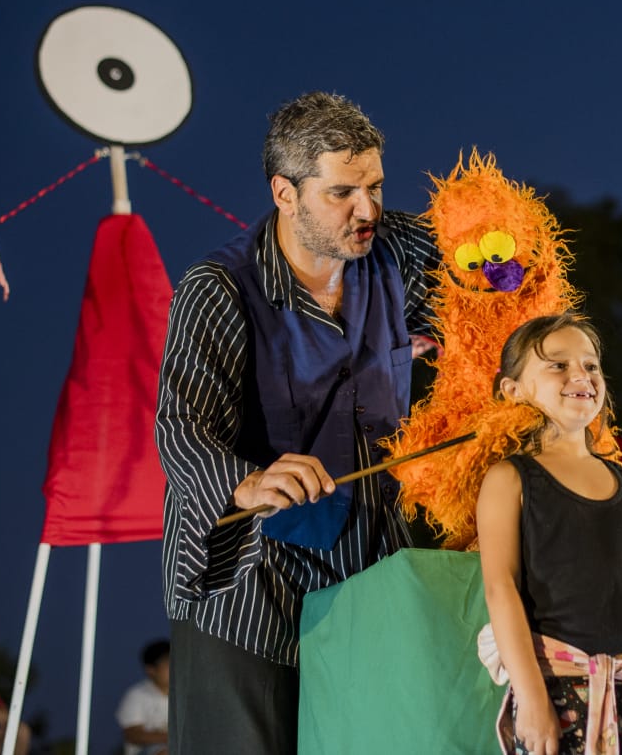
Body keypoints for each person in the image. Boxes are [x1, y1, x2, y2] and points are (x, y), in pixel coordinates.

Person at [156, 91, 440, 755]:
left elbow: (484, 295)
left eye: (374, 186)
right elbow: (180, 423)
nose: (366, 209)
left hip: (373, 563)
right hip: (250, 581)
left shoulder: (396, 250)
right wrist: (248, 482)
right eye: (342, 192)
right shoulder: (217, 287)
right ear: (285, 193)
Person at [475, 313, 622, 755]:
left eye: (591, 365)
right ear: (512, 390)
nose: (581, 375)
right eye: (557, 365)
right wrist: (533, 699)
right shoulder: (509, 479)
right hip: (558, 692)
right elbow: (502, 591)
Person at [116, 638, 170, 755]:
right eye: (167, 664)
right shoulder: (137, 695)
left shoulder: (185, 697)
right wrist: (170, 737)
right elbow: (132, 734)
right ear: (151, 670)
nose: (173, 669)